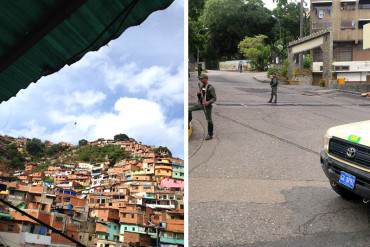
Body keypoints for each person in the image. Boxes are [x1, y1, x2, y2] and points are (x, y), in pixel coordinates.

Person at [189, 74, 217, 140]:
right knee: (188, 110)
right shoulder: (202, 86)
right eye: (200, 79)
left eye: (202, 79)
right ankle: (188, 122)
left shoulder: (210, 87)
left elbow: (214, 98)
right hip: (201, 104)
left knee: (209, 120)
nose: (200, 80)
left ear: (206, 79)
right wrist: (198, 94)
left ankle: (210, 134)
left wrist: (208, 102)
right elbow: (202, 95)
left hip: (207, 106)